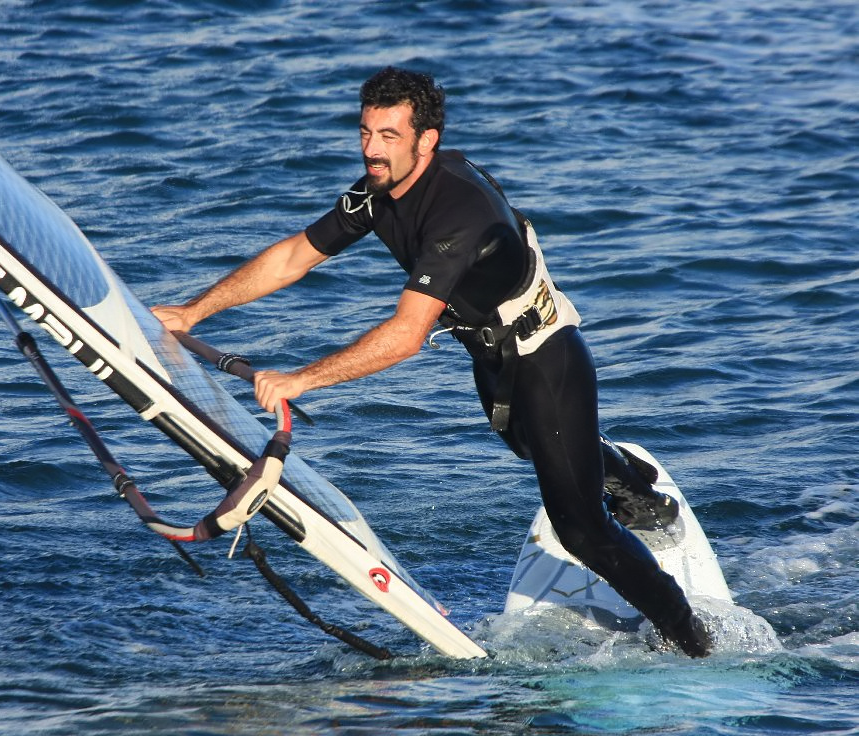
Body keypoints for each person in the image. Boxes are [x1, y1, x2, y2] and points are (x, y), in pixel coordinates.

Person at [153, 66, 711, 657]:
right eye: (366, 133)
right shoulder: (379, 188)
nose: (372, 150)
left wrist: (300, 380)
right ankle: (629, 481)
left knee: (580, 530)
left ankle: (688, 634)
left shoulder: (457, 214)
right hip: (491, 353)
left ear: (428, 139)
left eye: (389, 136)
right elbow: (295, 255)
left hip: (547, 356)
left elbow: (405, 335)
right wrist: (194, 312)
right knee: (532, 445)